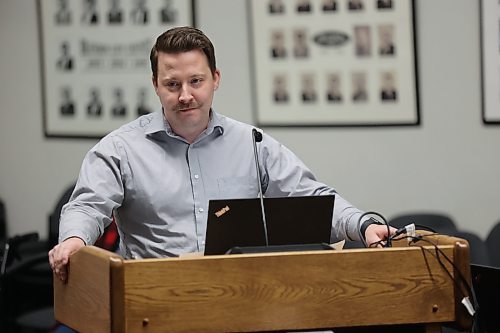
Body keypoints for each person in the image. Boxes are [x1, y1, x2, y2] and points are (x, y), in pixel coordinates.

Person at [49, 26, 394, 282]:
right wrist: (73, 242)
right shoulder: (120, 149)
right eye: (172, 84)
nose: (185, 95)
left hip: (238, 297)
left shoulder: (252, 143)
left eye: (196, 81)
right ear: (155, 85)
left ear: (215, 79)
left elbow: (310, 196)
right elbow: (86, 206)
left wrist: (362, 225)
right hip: (153, 300)